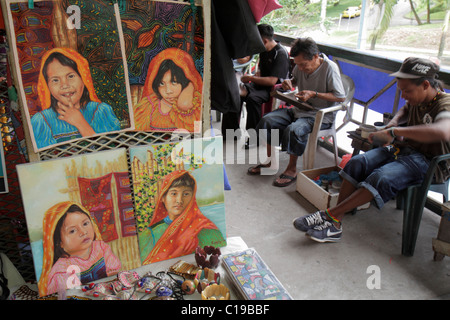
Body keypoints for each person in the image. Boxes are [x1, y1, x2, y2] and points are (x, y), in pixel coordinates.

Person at [293, 57, 450, 243]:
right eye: (401, 91)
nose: (404, 96)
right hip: (405, 150)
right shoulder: (417, 99)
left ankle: (329, 215)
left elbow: (443, 131)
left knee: (381, 176)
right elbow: (405, 109)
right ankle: (335, 224)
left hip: (430, 163)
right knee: (357, 162)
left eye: (407, 91)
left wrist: (395, 130)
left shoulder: (444, 103)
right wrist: (392, 123)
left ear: (425, 84)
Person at [248, 37, 346, 187]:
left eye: (303, 65)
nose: (299, 68)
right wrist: (289, 82)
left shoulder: (329, 68)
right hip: (300, 109)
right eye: (297, 64)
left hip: (320, 115)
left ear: (315, 56)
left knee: (294, 129)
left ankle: (292, 169)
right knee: (267, 120)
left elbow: (340, 97)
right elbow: (294, 80)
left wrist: (314, 94)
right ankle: (270, 163)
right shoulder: (299, 67)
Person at [31, 48, 121, 149]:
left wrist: (81, 123)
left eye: (70, 76)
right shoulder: (41, 121)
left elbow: (112, 154)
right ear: (47, 86)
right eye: (55, 80)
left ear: (84, 78)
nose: (64, 85)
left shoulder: (101, 111)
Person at [221, 24, 290, 145]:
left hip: (274, 90)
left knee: (253, 99)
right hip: (260, 85)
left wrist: (251, 78)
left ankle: (254, 138)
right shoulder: (264, 51)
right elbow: (261, 72)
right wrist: (253, 77)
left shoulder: (280, 54)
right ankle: (230, 133)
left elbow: (272, 81)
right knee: (234, 92)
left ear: (264, 40)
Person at [139, 170, 226, 264]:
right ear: (163, 198)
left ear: (193, 197)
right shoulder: (150, 233)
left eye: (186, 194)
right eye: (173, 193)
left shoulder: (205, 230)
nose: (179, 200)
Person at [38, 201, 121, 296]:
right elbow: (68, 294)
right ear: (59, 242)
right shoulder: (61, 269)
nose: (83, 232)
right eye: (72, 231)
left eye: (85, 224)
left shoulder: (101, 247)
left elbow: (114, 271)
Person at [133, 48, 203, 133]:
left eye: (174, 82)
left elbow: (185, 105)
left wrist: (190, 85)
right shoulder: (150, 106)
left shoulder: (193, 106)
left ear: (185, 82)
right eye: (162, 84)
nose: (168, 91)